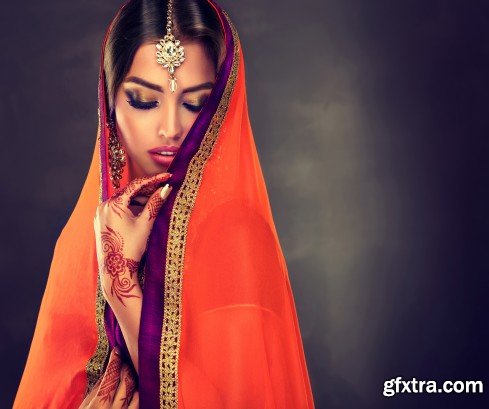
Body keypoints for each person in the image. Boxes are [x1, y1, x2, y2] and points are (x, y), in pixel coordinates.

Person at [14, 0, 315, 408]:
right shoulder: (82, 237)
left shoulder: (236, 238)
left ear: (221, 106)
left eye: (195, 103)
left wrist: (122, 289)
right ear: (110, 102)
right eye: (143, 100)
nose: (171, 128)